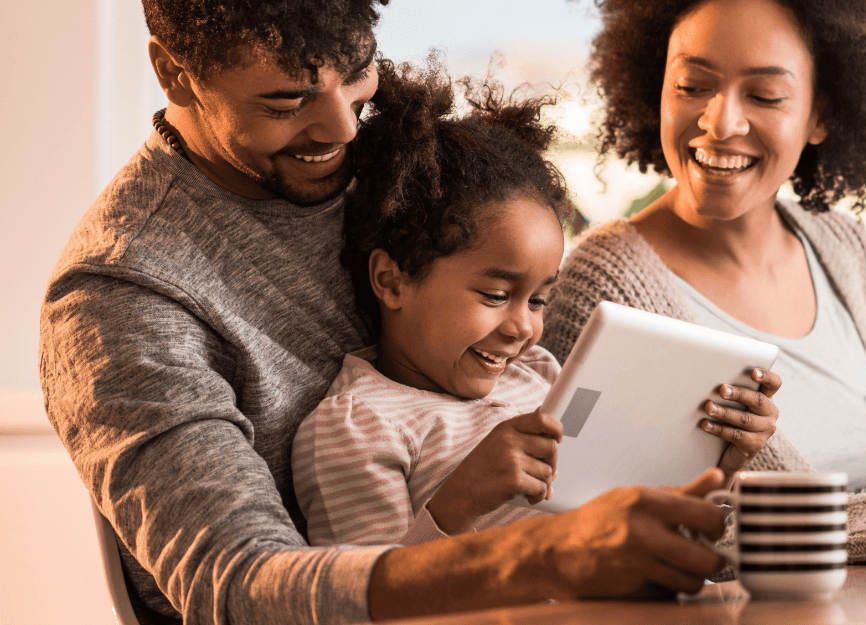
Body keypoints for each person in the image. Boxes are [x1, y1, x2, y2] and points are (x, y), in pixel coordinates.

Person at [40, 3, 734, 623]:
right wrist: (539, 555)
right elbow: (242, 587)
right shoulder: (122, 292)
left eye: (358, 73)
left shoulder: (406, 174)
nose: (342, 126)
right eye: (286, 100)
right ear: (175, 73)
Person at [540, 0, 866, 565]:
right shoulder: (601, 286)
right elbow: (599, 524)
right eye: (691, 86)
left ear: (819, 116)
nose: (721, 123)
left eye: (764, 96)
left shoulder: (845, 251)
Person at [292, 58, 783, 547]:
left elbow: (633, 516)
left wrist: (717, 467)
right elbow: (365, 588)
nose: (523, 328)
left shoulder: (540, 377)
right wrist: (460, 500)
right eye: (496, 296)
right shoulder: (359, 427)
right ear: (392, 280)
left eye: (539, 300)